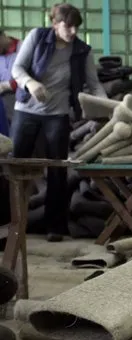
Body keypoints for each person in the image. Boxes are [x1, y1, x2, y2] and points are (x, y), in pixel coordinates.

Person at [11, 3, 106, 242]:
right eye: (68, 25)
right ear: (55, 23)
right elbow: (17, 68)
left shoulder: (82, 50)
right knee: (14, 167)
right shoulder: (37, 37)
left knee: (57, 170)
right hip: (26, 110)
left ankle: (55, 227)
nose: (73, 31)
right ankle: (10, 223)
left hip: (58, 114)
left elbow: (94, 85)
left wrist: (109, 107)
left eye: (77, 27)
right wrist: (30, 84)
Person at [0, 29, 21, 129]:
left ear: (3, 36)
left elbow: (32, 77)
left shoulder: (23, 48)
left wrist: (6, 86)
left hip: (20, 102)